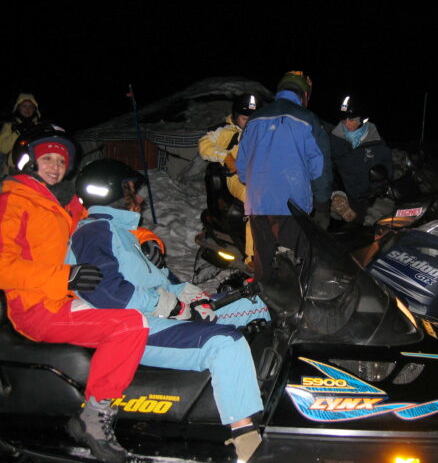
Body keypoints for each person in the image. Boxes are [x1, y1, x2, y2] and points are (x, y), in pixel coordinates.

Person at [67, 158, 269, 463]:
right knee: (225, 344)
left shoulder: (121, 233)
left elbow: (156, 281)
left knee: (255, 304)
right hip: (136, 327)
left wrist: (187, 293)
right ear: (112, 192)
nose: (137, 198)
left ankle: (268, 384)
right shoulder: (94, 233)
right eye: (131, 190)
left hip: (160, 312)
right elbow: (107, 292)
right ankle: (246, 443)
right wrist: (167, 304)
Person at [0, 126, 149, 463]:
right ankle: (93, 418)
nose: (55, 166)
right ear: (30, 162)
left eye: (61, 161)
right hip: (35, 307)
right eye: (47, 159)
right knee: (129, 325)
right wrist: (64, 278)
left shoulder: (65, 201)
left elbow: (108, 223)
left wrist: (147, 241)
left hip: (64, 298)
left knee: (140, 312)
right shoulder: (15, 200)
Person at [236, 71, 332, 282]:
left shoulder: (254, 120)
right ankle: (294, 309)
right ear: (304, 95)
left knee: (264, 265)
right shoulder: (308, 119)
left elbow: (242, 169)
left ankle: (266, 307)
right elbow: (320, 168)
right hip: (292, 206)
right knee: (295, 266)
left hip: (258, 205)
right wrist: (323, 205)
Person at [198, 93, 262, 268]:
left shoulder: (262, 131)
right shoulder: (225, 130)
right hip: (237, 177)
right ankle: (253, 257)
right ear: (235, 116)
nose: (248, 122)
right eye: (244, 118)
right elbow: (204, 145)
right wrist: (225, 157)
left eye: (253, 118)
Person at [330, 95, 393, 224]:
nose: (346, 124)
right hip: (345, 204)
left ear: (363, 120)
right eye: (343, 119)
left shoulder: (376, 142)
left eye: (351, 120)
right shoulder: (333, 141)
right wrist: (337, 194)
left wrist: (380, 193)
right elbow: (326, 170)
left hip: (372, 203)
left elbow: (387, 171)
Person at [0, 93, 42, 176]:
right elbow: (3, 148)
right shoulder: (10, 125)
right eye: (24, 106)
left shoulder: (39, 127)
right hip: (12, 171)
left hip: (34, 172)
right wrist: (17, 133)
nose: (27, 109)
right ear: (18, 107)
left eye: (31, 107)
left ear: (35, 109)